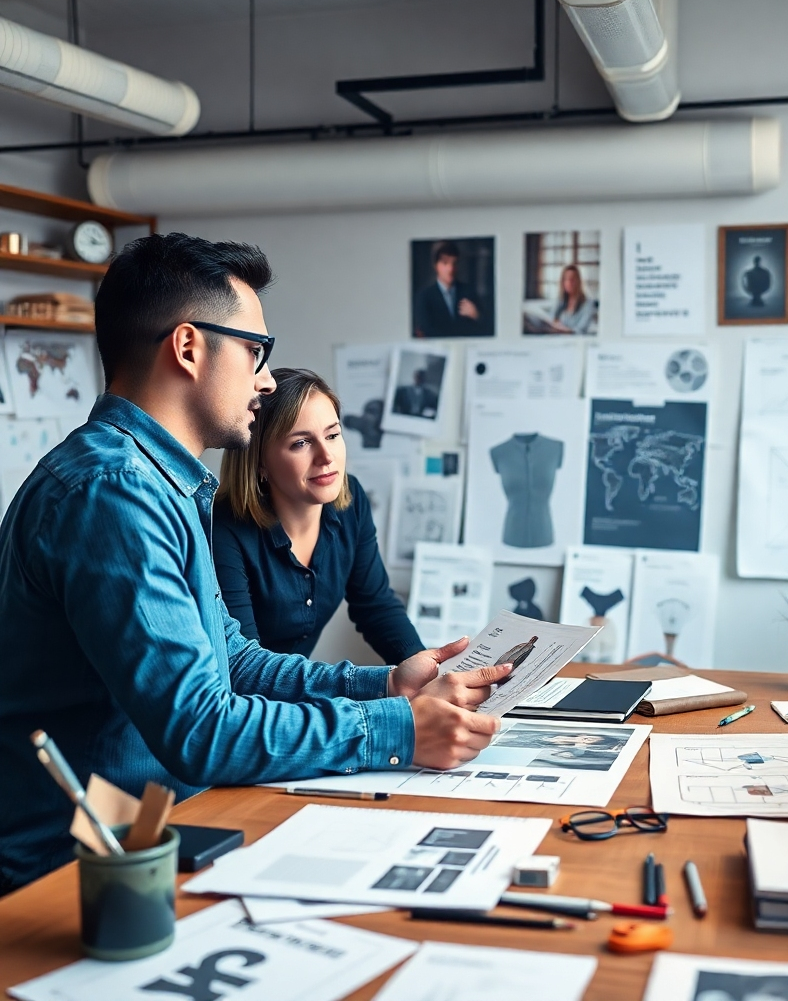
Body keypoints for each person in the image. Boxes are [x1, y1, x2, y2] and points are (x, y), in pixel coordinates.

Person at [0, 233, 505, 893]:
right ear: (188, 347)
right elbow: (202, 729)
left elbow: (230, 658)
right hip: (70, 869)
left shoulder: (164, 484)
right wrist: (398, 731)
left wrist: (384, 687)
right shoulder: (114, 493)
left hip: (155, 830)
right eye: (253, 352)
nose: (265, 379)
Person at [214, 367, 422, 662]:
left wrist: (427, 669)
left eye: (333, 435)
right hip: (246, 702)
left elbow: (375, 605)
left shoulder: (352, 502)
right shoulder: (223, 529)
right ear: (259, 462)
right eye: (301, 443)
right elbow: (246, 665)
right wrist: (384, 683)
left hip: (303, 696)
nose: (327, 457)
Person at [412, 240, 487, 338]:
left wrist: (476, 315)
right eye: (445, 263)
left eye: (454, 263)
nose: (451, 268)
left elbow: (487, 328)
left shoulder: (468, 292)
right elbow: (425, 331)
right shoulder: (424, 296)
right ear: (435, 266)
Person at [548, 264, 598, 335]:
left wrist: (564, 329)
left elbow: (581, 329)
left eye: (572, 279)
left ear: (578, 281)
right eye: (566, 279)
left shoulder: (587, 304)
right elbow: (551, 320)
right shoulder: (560, 301)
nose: (569, 282)